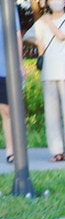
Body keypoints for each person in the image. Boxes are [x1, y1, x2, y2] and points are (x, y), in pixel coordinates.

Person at [25, 0, 65, 162]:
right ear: (47, 1)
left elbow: (62, 36)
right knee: (52, 114)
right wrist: (39, 43)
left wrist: (49, 23)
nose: (55, 1)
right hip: (49, 73)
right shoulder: (42, 22)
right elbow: (28, 36)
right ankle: (57, 151)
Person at [0, 11, 22, 163]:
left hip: (6, 67)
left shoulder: (8, 6)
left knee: (8, 110)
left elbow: (18, 35)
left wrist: (20, 63)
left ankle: (13, 149)